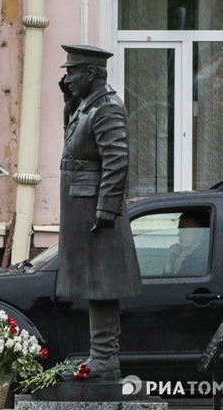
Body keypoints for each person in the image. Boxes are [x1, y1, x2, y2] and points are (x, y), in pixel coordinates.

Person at [56, 45, 142, 379]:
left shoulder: (106, 108)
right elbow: (74, 145)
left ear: (91, 73)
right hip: (82, 210)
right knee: (95, 284)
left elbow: (117, 160)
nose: (67, 78)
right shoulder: (85, 107)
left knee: (102, 285)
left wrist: (106, 209)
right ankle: (100, 355)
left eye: (72, 71)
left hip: (96, 215)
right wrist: (69, 102)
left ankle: (105, 358)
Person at [163, 210, 210, 275]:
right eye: (180, 230)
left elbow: (175, 284)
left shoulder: (203, 261)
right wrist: (170, 261)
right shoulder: (194, 258)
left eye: (184, 230)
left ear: (200, 232)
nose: (179, 234)